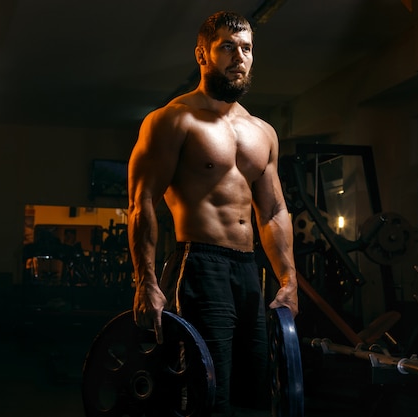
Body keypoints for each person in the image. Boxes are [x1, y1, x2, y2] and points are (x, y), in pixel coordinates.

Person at [127, 10, 298, 416]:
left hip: (247, 270)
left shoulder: (262, 132)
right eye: (227, 47)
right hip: (199, 263)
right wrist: (145, 281)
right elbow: (143, 201)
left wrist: (289, 280)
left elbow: (273, 212)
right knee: (209, 392)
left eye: (247, 49)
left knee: (254, 389)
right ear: (202, 55)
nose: (239, 57)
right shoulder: (172, 120)